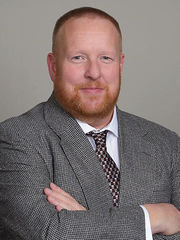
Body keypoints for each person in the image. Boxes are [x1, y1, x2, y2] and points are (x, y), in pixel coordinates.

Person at [0, 6, 180, 240]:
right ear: (53, 66)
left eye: (105, 58)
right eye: (78, 58)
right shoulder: (17, 138)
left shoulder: (167, 145)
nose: (94, 72)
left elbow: (63, 231)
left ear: (120, 65)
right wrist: (151, 218)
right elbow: (46, 232)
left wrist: (83, 222)